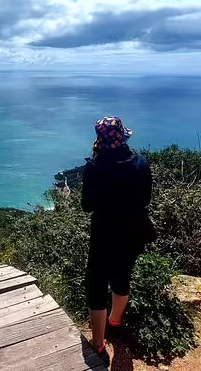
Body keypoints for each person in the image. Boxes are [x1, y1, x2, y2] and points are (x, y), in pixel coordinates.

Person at [81, 117, 155, 365]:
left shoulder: (94, 167)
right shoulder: (141, 164)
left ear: (99, 141)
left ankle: (99, 345)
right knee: (122, 277)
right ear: (123, 137)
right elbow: (145, 200)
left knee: (96, 284)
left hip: (103, 232)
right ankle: (115, 322)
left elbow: (86, 206)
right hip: (133, 231)